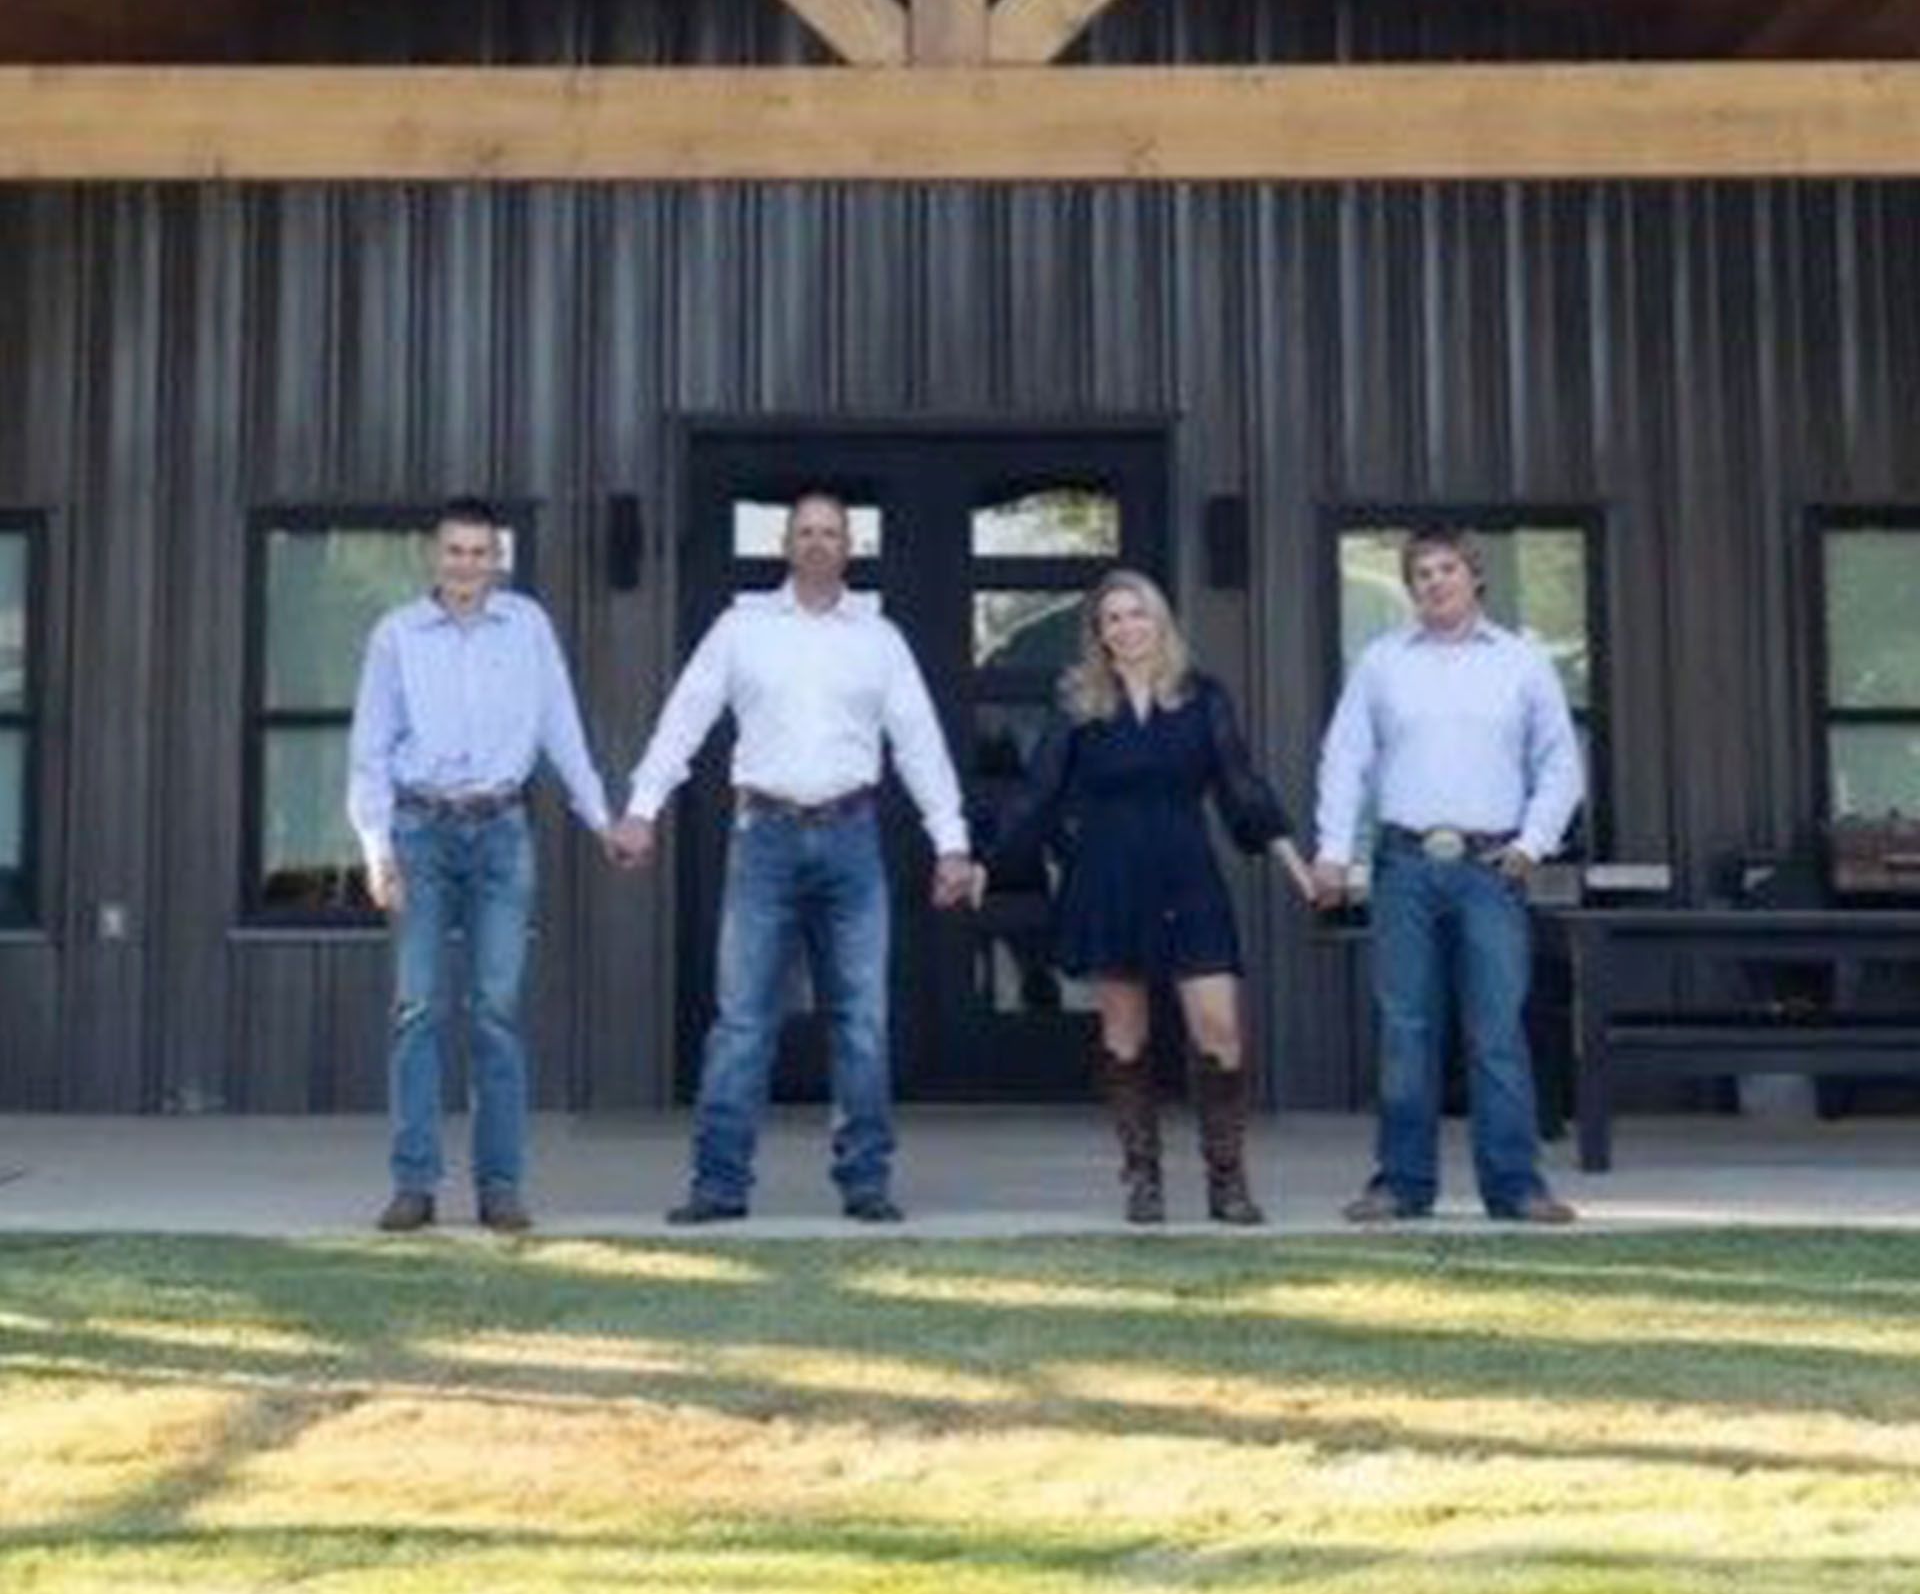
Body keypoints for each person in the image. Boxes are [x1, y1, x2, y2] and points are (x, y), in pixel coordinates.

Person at [609, 492, 975, 1224]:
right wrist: (642, 808)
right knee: (743, 1019)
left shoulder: (880, 639)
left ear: (849, 546)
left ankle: (866, 1182)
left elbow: (920, 743)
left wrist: (952, 840)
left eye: (829, 533)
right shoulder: (741, 629)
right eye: (804, 531)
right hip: (765, 839)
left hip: (851, 836)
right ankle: (719, 1185)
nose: (816, 543)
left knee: (862, 1020)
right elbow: (686, 717)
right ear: (786, 543)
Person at [985, 569, 1314, 1225]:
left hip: (1188, 875)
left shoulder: (1200, 696)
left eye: (1137, 614)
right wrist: (983, 862)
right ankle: (1144, 1180)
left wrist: (1290, 858)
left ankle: (1228, 1181)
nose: (1126, 627)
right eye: (1112, 619)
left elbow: (1238, 782)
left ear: (1159, 621)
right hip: (1109, 879)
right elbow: (1037, 792)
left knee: (1219, 1028)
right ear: (1099, 634)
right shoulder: (1080, 702)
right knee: (1125, 1036)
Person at [347, 496, 612, 1235]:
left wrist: (600, 819)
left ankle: (501, 1186)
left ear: (498, 561)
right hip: (421, 832)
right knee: (418, 1008)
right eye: (455, 551)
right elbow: (368, 752)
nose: (468, 565)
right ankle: (414, 1184)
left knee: (496, 1014)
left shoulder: (527, 628)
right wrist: (376, 850)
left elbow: (562, 726)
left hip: (500, 831)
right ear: (435, 557)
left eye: (480, 552)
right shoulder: (395, 636)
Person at [1311, 524, 1584, 1225]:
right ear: (1411, 588)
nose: (1435, 582)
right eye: (1421, 573)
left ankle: (1516, 1185)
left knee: (1496, 1028)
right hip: (1403, 862)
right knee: (1407, 1029)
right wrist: (1333, 849)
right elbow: (1345, 758)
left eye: (1447, 569)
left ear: (1475, 577)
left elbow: (1560, 762)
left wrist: (1533, 842)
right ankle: (1401, 1183)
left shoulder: (1521, 662)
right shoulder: (1382, 662)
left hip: (1491, 864)